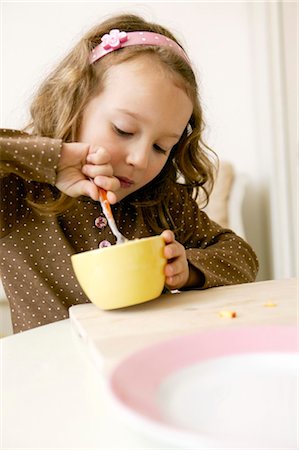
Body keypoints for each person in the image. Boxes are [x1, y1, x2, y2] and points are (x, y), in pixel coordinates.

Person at [0, 13, 258, 333]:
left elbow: (241, 255)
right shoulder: (18, 192)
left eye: (161, 147)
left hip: (149, 365)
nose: (139, 159)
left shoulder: (163, 203)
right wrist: (54, 158)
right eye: (123, 130)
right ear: (74, 102)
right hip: (51, 376)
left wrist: (188, 268)